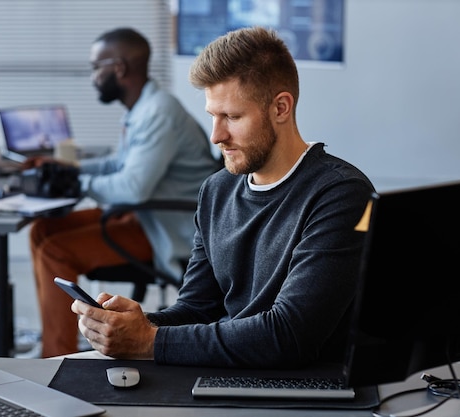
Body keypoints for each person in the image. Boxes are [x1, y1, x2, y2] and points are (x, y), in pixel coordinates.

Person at [72, 26, 375, 368]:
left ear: (281, 108)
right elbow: (198, 309)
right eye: (213, 116)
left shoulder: (342, 196)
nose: (216, 136)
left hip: (308, 385)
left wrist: (149, 340)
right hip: (237, 372)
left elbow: (290, 336)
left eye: (232, 117)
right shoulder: (216, 190)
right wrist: (136, 326)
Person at [28, 27, 220, 358]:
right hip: (146, 213)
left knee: (54, 251)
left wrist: (76, 186)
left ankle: (55, 357)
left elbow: (133, 186)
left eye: (95, 67)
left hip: (168, 227)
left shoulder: (158, 112)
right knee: (41, 230)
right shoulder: (142, 107)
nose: (92, 77)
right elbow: (120, 163)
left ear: (118, 68)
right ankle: (54, 339)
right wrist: (71, 169)